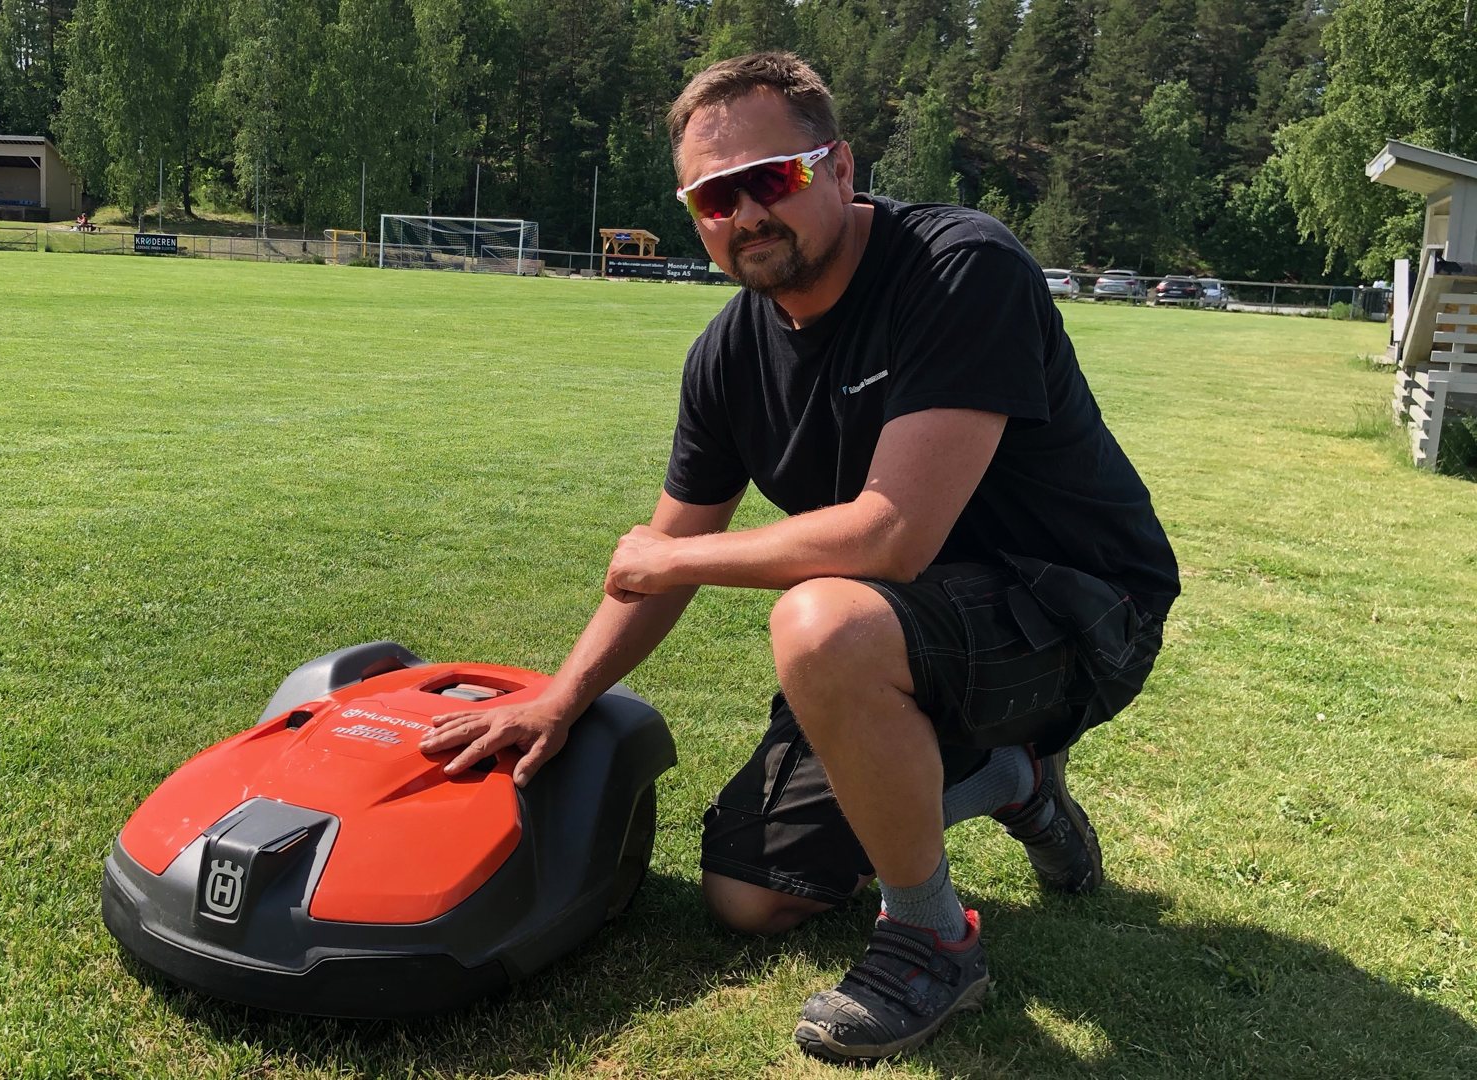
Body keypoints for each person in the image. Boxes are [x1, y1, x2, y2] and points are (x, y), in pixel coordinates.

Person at [420, 51, 1178, 1063]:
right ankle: (1016, 782)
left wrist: (678, 561)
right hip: (923, 635)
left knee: (820, 619)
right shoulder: (728, 357)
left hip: (1079, 614)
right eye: (712, 196)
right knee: (748, 894)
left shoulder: (961, 267)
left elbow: (887, 536)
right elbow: (659, 556)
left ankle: (931, 940)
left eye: (772, 178)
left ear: (842, 168)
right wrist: (562, 695)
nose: (745, 214)